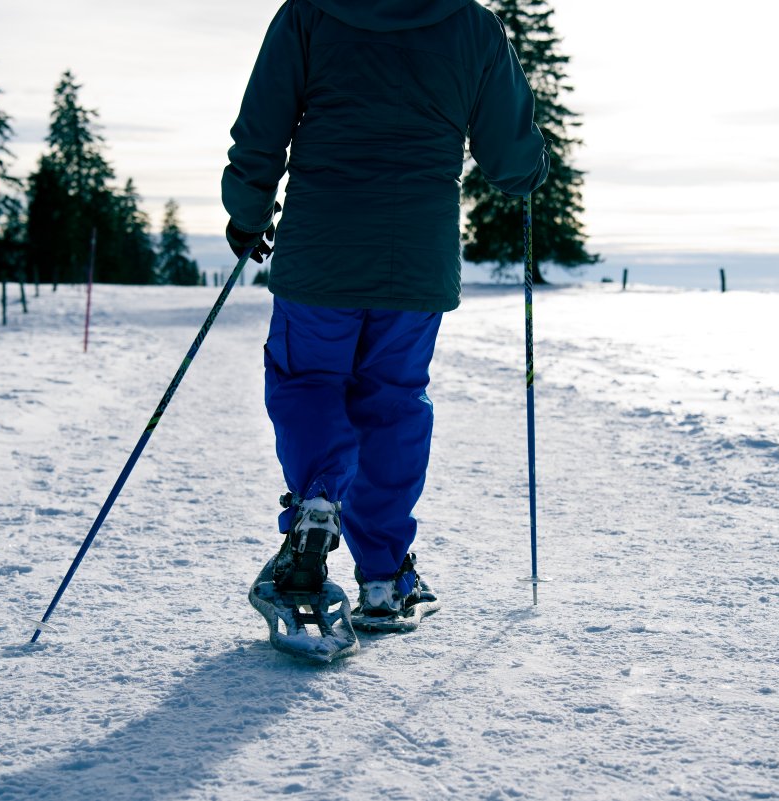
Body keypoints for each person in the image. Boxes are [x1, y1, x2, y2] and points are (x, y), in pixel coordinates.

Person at [222, 0, 548, 660]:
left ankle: (316, 508)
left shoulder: (311, 15)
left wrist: (247, 210)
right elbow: (511, 158)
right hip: (416, 263)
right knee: (393, 400)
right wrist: (527, 169)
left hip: (321, 253)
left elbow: (263, 126)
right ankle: (383, 576)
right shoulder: (473, 26)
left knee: (308, 380)